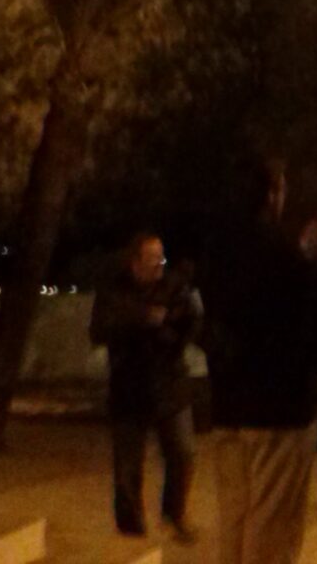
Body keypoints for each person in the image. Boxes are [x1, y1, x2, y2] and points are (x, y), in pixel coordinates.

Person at [204, 156, 317, 564]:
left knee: (234, 519)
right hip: (277, 410)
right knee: (272, 527)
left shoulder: (217, 253)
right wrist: (309, 261)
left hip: (228, 407)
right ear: (272, 195)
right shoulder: (282, 254)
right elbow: (303, 325)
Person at [91, 232, 203, 543]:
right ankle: (131, 526)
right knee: (128, 462)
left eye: (161, 256)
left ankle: (174, 513)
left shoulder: (174, 286)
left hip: (169, 383)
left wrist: (172, 331)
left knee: (183, 452)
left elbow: (189, 323)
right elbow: (100, 329)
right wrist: (142, 319)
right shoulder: (115, 290)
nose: (159, 263)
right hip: (129, 386)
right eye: (153, 257)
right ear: (135, 261)